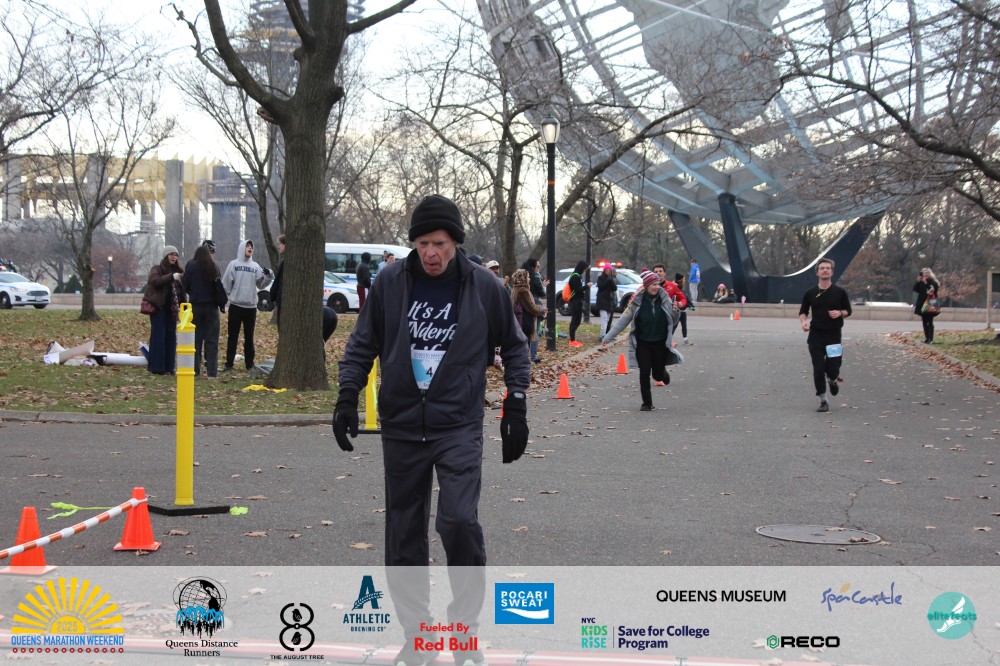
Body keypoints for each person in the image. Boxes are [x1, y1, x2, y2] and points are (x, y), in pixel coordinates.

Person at [332, 194, 530, 666]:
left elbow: (515, 346)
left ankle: (463, 632)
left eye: (439, 243)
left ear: (455, 242)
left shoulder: (483, 286)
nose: (430, 253)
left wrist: (516, 403)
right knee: (403, 532)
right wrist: (346, 396)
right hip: (402, 424)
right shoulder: (390, 281)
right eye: (422, 243)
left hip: (457, 422)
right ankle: (418, 636)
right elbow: (363, 343)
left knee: (459, 521)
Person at [600, 270, 682, 411]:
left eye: (658, 284)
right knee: (644, 372)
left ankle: (662, 373)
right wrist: (608, 337)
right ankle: (647, 403)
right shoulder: (636, 302)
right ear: (646, 285)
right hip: (642, 342)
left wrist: (676, 312)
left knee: (657, 374)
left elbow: (673, 320)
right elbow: (623, 321)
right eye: (653, 285)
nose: (656, 287)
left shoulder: (665, 299)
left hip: (660, 342)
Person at [799, 257, 852, 413]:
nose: (825, 270)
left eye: (828, 268)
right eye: (822, 268)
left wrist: (840, 313)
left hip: (833, 336)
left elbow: (848, 311)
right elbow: (803, 311)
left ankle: (832, 379)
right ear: (817, 272)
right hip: (816, 336)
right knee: (818, 369)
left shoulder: (840, 292)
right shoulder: (810, 293)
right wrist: (804, 322)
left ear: (832, 272)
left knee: (833, 368)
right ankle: (823, 399)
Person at [221, 239, 272, 372]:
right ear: (242, 247)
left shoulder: (255, 266)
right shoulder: (233, 265)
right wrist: (226, 298)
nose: (250, 248)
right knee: (233, 336)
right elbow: (226, 284)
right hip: (236, 306)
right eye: (247, 246)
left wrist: (268, 276)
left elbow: (261, 284)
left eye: (251, 247)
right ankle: (229, 363)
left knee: (249, 337)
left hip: (250, 307)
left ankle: (249, 363)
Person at [143, 246, 187, 376]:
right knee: (158, 337)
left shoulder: (179, 271)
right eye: (171, 254)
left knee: (171, 337)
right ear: (165, 256)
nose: (174, 257)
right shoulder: (157, 269)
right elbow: (155, 281)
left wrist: (184, 307)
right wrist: (172, 277)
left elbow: (182, 292)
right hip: (159, 308)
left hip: (172, 310)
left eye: (176, 255)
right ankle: (157, 367)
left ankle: (169, 367)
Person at [182, 245, 223, 378]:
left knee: (195, 340)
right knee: (212, 341)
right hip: (212, 307)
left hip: (196, 306)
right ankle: (212, 372)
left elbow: (185, 285)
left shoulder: (191, 265)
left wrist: (193, 293)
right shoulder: (213, 266)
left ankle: (195, 370)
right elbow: (219, 286)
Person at [511, 268, 545, 365]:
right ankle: (523, 365)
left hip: (519, 322)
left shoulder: (515, 289)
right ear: (523, 278)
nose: (529, 279)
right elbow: (531, 307)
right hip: (525, 322)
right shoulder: (523, 291)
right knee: (525, 345)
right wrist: (542, 309)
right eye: (528, 277)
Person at [523, 258, 548, 347]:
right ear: (533, 267)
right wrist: (543, 286)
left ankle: (526, 351)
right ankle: (533, 353)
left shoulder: (522, 276)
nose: (539, 267)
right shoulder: (536, 277)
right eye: (538, 266)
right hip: (535, 303)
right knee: (535, 330)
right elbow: (542, 293)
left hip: (524, 306)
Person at [913, 267, 940, 344]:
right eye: (924, 273)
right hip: (922, 303)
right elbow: (916, 289)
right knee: (924, 321)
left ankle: (931, 338)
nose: (926, 274)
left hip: (930, 302)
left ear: (930, 274)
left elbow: (932, 290)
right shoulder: (921, 282)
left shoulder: (933, 282)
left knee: (930, 321)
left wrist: (926, 282)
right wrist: (918, 281)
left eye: (927, 273)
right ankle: (926, 337)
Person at [567, 260, 589, 347]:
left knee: (577, 320)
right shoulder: (575, 276)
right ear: (582, 268)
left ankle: (573, 338)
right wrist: (587, 286)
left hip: (577, 300)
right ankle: (572, 340)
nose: (585, 271)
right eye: (585, 269)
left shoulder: (577, 275)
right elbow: (577, 289)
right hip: (575, 301)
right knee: (575, 320)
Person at [595, 264, 618, 335]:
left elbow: (614, 288)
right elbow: (600, 286)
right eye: (607, 270)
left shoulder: (611, 279)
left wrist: (611, 280)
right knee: (604, 318)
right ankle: (603, 335)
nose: (608, 272)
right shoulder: (600, 278)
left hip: (609, 301)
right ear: (604, 270)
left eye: (609, 270)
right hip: (602, 301)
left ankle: (605, 334)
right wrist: (607, 280)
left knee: (607, 319)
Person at [269, 234, 285, 324]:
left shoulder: (285, 263)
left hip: (282, 303)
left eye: (280, 244)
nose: (279, 246)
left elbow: (279, 282)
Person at [674, 273, 692, 344]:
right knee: (674, 325)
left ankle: (685, 339)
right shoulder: (675, 289)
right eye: (683, 279)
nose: (684, 281)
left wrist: (691, 306)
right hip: (676, 311)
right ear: (679, 281)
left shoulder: (683, 290)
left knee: (684, 325)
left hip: (683, 311)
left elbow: (686, 299)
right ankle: (669, 338)